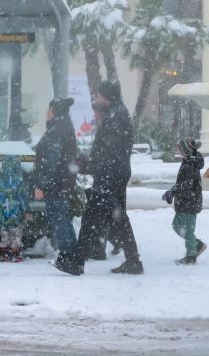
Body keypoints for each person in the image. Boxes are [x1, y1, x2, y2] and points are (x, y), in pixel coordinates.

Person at [77, 80, 143, 274]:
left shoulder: (116, 116)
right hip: (113, 174)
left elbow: (109, 151)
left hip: (109, 175)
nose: (96, 99)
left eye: (99, 96)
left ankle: (75, 260)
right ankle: (133, 260)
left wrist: (92, 166)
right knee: (116, 217)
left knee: (92, 218)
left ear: (107, 96)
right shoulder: (116, 114)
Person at [32, 98, 82, 275]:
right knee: (63, 218)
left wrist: (41, 184)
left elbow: (49, 161)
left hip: (56, 183)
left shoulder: (56, 130)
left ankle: (69, 257)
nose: (46, 111)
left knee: (59, 219)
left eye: (48, 108)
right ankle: (73, 257)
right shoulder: (63, 127)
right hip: (62, 182)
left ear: (53, 110)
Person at [163, 138, 206, 265]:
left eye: (179, 148)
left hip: (189, 202)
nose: (178, 150)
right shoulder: (189, 162)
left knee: (185, 229)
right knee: (178, 226)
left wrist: (172, 192)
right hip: (187, 201)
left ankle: (191, 255)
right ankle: (196, 244)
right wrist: (173, 192)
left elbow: (185, 185)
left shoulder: (190, 165)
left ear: (185, 150)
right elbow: (183, 184)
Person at [0, 153, 28, 263]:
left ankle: (5, 253)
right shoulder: (19, 180)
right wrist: (26, 208)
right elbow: (23, 196)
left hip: (2, 210)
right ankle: (16, 252)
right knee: (16, 231)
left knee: (4, 231)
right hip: (16, 210)